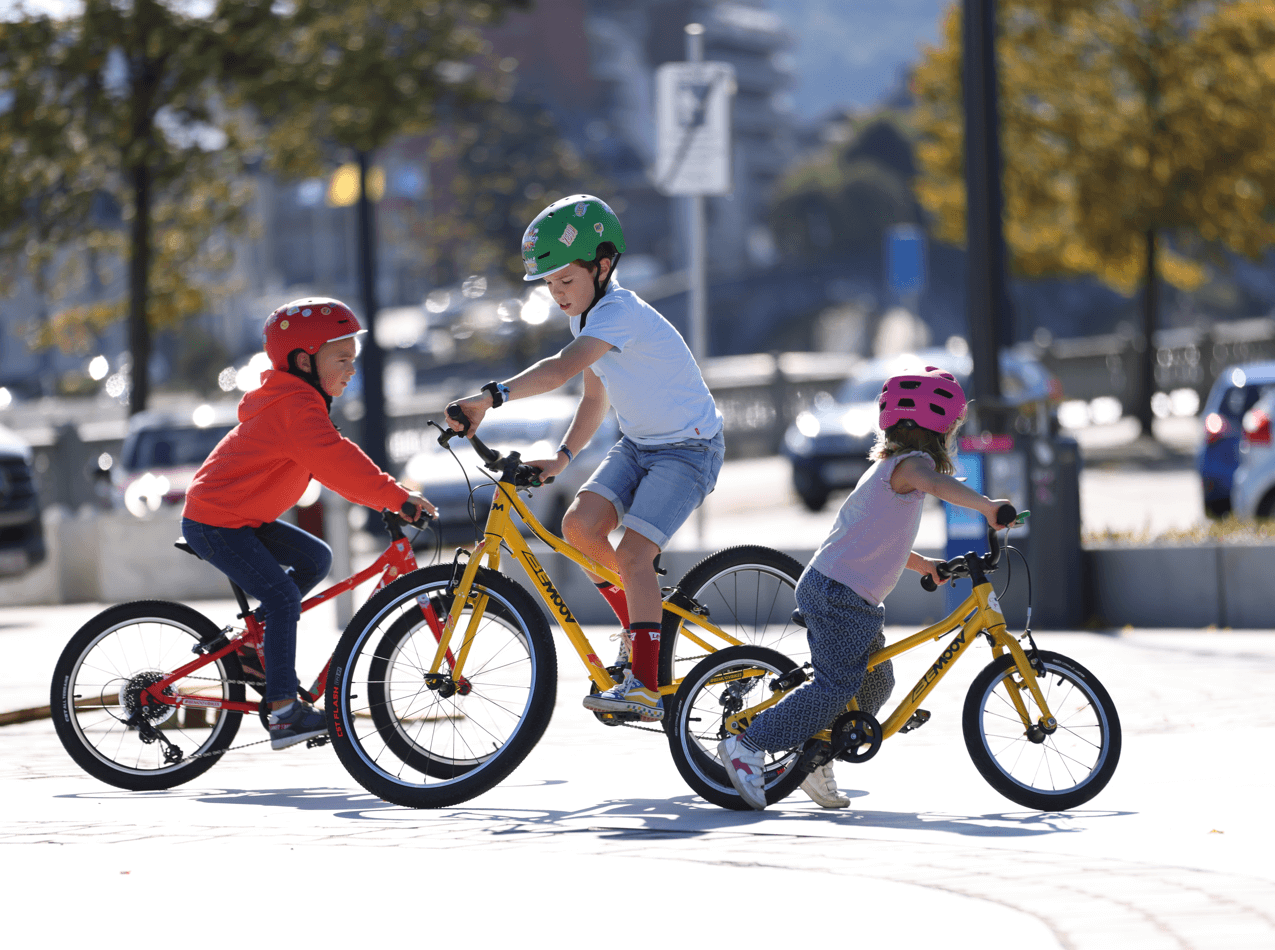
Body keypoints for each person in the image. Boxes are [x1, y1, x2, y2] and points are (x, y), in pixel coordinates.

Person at [446, 194, 724, 724]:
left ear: (602, 266)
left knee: (637, 555)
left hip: (689, 450)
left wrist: (488, 397)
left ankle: (645, 681)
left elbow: (560, 370)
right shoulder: (589, 318)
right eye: (549, 285)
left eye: (565, 282)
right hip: (640, 445)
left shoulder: (617, 312)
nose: (557, 294)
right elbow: (594, 398)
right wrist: (564, 455)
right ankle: (642, 632)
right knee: (579, 526)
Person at [718, 365, 1013, 810]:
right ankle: (749, 745)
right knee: (837, 686)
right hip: (836, 593)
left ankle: (816, 757)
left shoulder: (895, 472)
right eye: (952, 427)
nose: (953, 435)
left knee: (876, 682)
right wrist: (987, 506)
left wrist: (922, 565)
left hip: (851, 596)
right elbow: (937, 484)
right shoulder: (912, 467)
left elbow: (878, 540)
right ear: (937, 428)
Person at [181, 297, 435, 750]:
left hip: (240, 519)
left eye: (353, 359)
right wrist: (396, 498)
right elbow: (336, 461)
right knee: (281, 596)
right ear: (303, 360)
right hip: (216, 524)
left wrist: (385, 496)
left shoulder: (300, 400)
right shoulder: (293, 408)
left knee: (316, 558)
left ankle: (249, 649)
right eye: (341, 359)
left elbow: (333, 461)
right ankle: (282, 711)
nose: (351, 369)